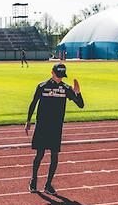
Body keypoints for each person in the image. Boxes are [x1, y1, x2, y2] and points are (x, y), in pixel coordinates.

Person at [25, 63, 84, 194]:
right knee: (39, 154)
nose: (59, 78)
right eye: (58, 75)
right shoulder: (42, 86)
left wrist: (78, 93)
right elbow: (33, 103)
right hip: (42, 126)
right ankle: (33, 180)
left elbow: (81, 105)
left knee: (54, 156)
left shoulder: (66, 88)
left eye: (62, 76)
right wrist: (28, 120)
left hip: (56, 127)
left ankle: (48, 184)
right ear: (52, 72)